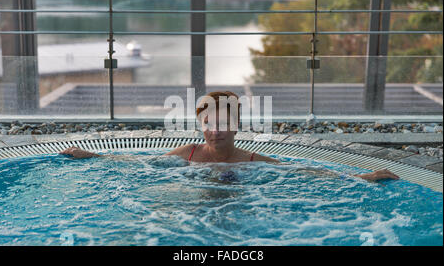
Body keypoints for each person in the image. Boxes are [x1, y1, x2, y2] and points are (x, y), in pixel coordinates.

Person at [59, 91, 399, 182]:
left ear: (237, 126)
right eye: (208, 122)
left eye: (223, 123)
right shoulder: (189, 153)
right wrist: (93, 156)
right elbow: (142, 163)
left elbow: (302, 172)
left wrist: (361, 176)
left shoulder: (252, 160)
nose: (215, 130)